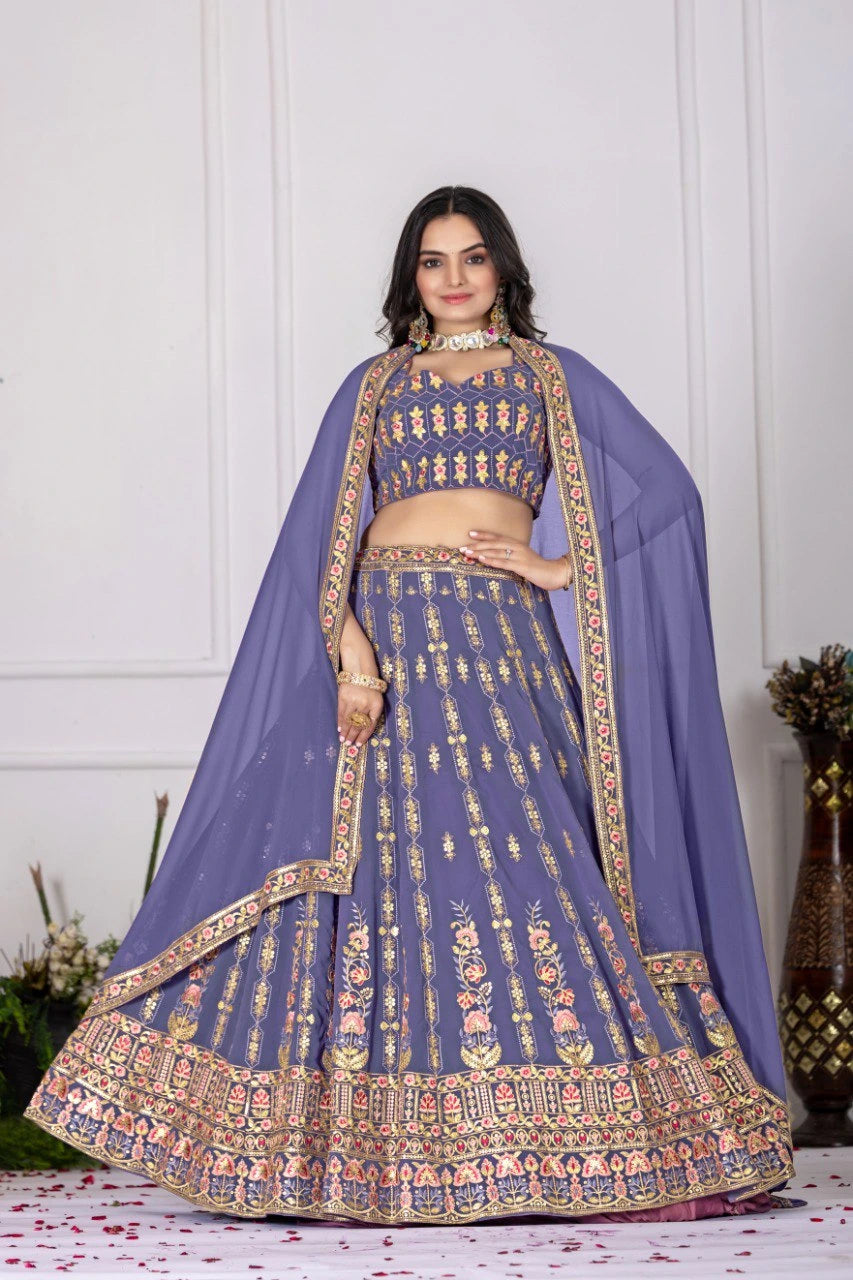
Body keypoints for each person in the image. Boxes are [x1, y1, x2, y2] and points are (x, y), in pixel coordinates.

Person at [25, 186, 799, 1226]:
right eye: (433, 261)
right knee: (364, 872)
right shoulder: (376, 383)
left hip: (496, 641)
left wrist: (555, 566)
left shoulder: (548, 374)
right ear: (410, 278)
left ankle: (563, 1134)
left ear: (502, 266)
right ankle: (347, 1153)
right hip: (385, 637)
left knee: (522, 861)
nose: (453, 278)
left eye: (471, 257)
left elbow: (666, 493)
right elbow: (320, 536)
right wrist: (350, 653)